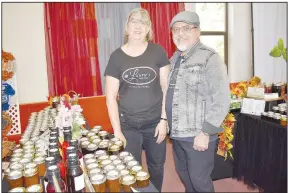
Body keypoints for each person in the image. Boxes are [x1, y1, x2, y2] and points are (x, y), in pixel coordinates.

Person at [104, 8, 170, 192]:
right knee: (130, 170)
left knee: (157, 167)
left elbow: (167, 89)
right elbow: (110, 98)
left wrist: (164, 120)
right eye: (134, 21)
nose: (138, 26)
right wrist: (117, 130)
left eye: (144, 22)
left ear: (149, 28)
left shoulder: (158, 52)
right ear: (127, 25)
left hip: (155, 124)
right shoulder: (116, 57)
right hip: (128, 126)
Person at [166, 11, 230, 192]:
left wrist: (206, 132)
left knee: (199, 181)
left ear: (198, 31)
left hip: (198, 135)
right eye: (176, 29)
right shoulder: (174, 59)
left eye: (186, 28)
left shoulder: (210, 58)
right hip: (178, 134)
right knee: (184, 175)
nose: (180, 33)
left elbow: (221, 100)